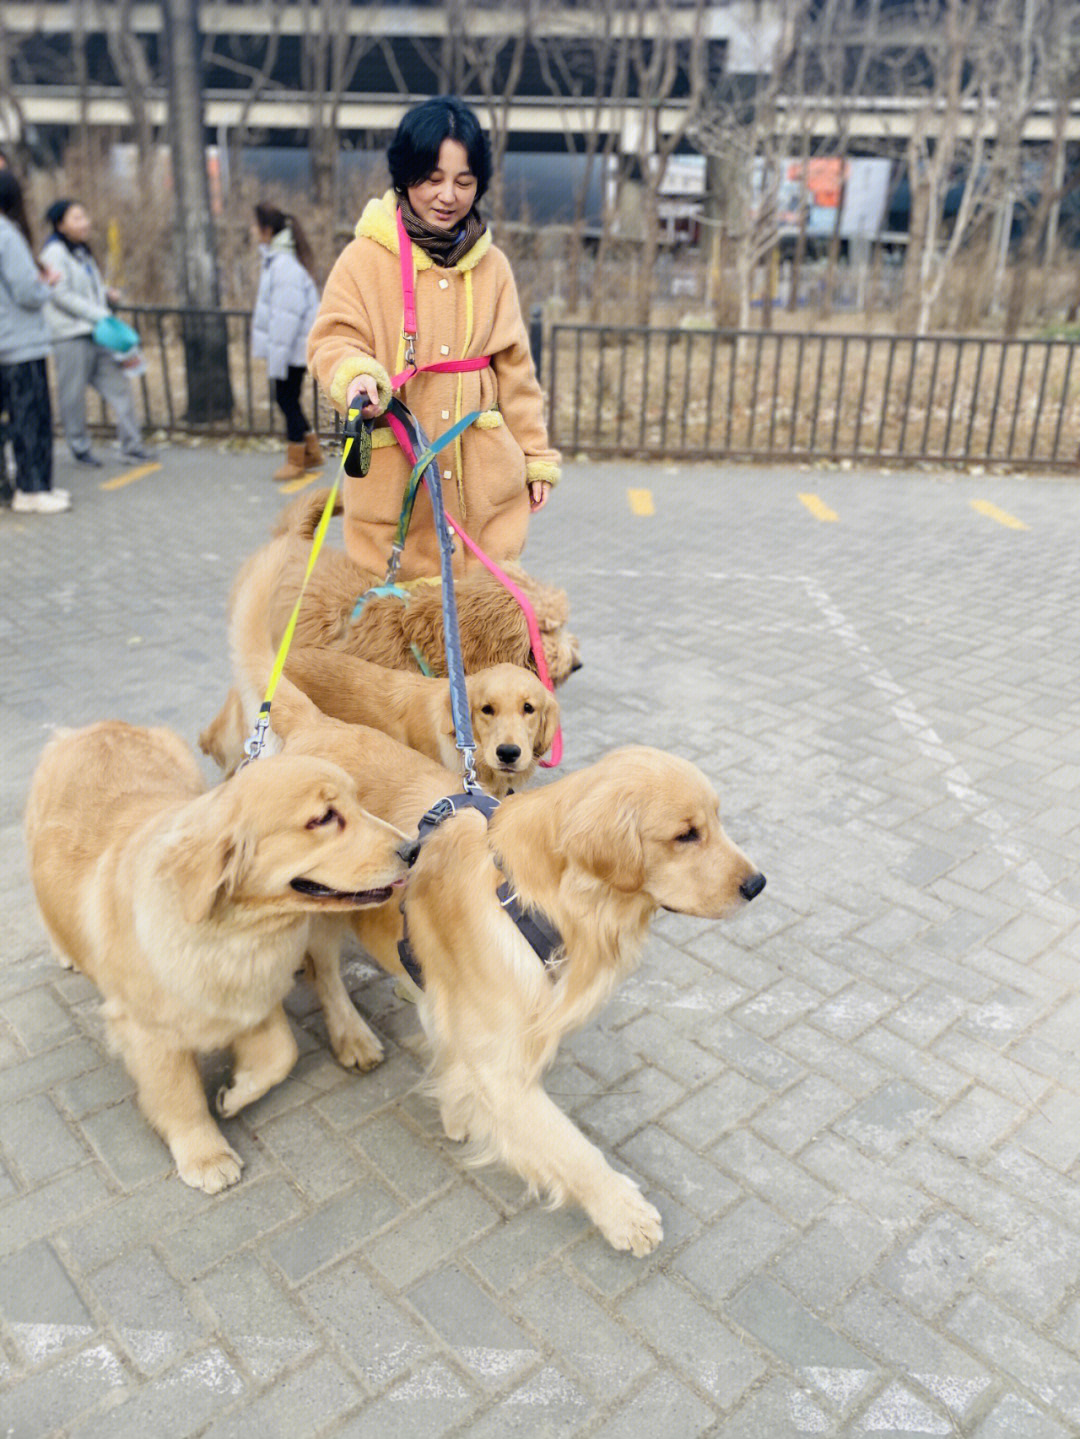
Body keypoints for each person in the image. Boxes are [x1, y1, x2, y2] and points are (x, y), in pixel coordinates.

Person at [307, 95, 560, 581]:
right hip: (395, 497)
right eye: (432, 179)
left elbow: (516, 373)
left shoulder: (494, 268)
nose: (448, 195)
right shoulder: (363, 259)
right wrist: (356, 376)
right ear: (405, 177)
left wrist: (534, 456)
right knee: (395, 641)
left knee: (484, 636)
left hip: (484, 497)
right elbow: (332, 340)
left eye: (464, 182)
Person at [40, 198, 150, 466]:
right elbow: (60, 295)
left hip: (97, 333)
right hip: (70, 335)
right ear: (61, 225)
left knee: (119, 386)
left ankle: (131, 445)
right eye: (76, 218)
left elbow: (90, 289)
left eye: (84, 216)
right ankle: (79, 447)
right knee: (73, 396)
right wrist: (97, 312)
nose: (85, 223)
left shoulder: (82, 252)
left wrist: (106, 296)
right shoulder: (54, 253)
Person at [0, 170, 69, 513]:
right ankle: (32, 489)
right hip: (20, 341)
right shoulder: (7, 234)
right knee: (32, 417)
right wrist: (47, 285)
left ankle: (30, 487)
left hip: (4, 342)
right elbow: (26, 291)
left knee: (16, 419)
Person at [251, 203, 324, 482]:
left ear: (268, 230)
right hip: (292, 347)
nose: (252, 230)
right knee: (288, 399)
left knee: (285, 399)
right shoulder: (280, 261)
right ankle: (312, 452)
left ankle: (296, 461)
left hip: (291, 349)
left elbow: (285, 317)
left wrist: (277, 359)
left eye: (256, 225)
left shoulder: (284, 266)